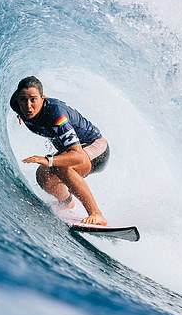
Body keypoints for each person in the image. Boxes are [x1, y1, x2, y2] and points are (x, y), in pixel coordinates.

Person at [10, 76, 110, 226]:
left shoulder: (57, 115)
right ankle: (66, 202)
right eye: (23, 100)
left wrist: (48, 160)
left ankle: (96, 213)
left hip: (94, 148)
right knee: (43, 175)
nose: (28, 106)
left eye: (33, 99)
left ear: (42, 98)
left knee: (59, 166)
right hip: (72, 150)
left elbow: (77, 156)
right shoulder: (17, 104)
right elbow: (22, 106)